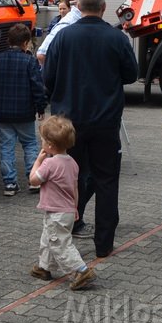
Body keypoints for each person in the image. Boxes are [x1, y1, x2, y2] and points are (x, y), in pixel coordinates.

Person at [43, 0, 138, 258]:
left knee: (67, 180)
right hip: (105, 122)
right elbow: (131, 75)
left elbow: (47, 78)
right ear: (104, 7)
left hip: (68, 124)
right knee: (106, 181)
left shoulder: (63, 37)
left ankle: (62, 236)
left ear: (78, 7)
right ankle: (104, 244)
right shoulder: (117, 38)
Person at [28, 116, 97, 291]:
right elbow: (74, 188)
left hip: (56, 213)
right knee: (48, 239)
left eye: (43, 140)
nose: (41, 142)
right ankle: (44, 267)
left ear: (50, 145)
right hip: (66, 210)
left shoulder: (50, 164)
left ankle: (81, 270)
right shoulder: (72, 162)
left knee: (60, 243)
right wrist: (75, 208)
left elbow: (34, 180)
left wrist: (37, 161)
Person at [0, 23, 47, 196]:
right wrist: (41, 107)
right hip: (25, 112)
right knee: (30, 145)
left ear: (8, 40)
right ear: (26, 42)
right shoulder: (29, 61)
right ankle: (33, 179)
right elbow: (37, 87)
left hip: (3, 113)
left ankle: (10, 183)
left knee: (6, 147)